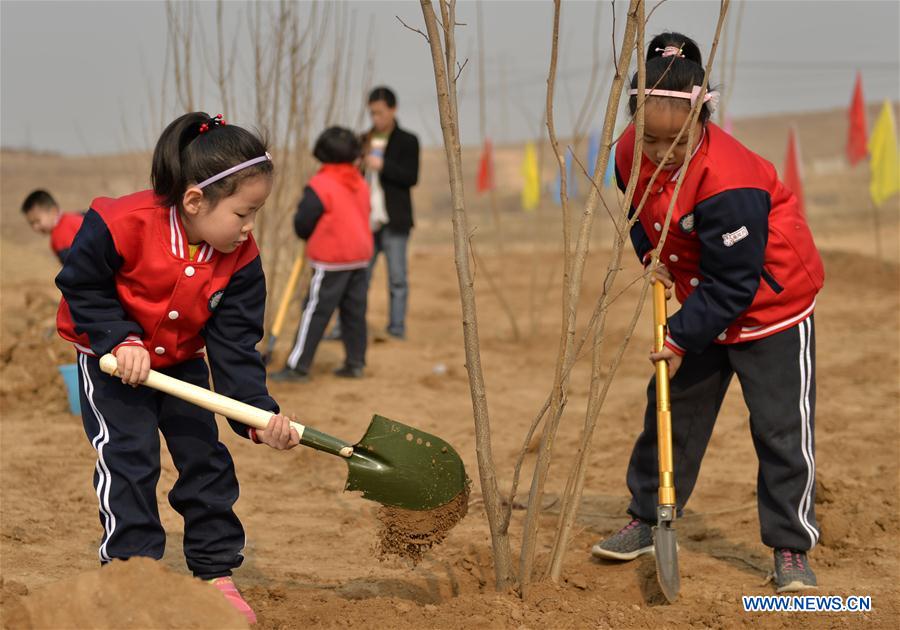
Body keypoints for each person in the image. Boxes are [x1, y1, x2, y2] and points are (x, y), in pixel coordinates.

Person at [590, 33, 825, 594]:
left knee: (779, 429)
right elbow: (636, 214)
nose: (659, 154)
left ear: (701, 119)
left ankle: (790, 548)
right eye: (649, 139)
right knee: (670, 413)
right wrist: (652, 257)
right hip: (703, 295)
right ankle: (648, 519)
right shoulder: (627, 152)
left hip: (770, 305)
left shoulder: (730, 179)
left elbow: (737, 283)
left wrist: (676, 338)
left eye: (675, 142)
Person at [55, 112, 300, 624]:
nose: (250, 227)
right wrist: (121, 339)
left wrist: (256, 415)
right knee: (130, 459)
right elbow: (82, 285)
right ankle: (131, 574)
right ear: (195, 201)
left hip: (182, 364)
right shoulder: (121, 222)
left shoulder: (241, 257)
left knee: (204, 460)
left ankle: (214, 571)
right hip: (110, 364)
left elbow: (235, 346)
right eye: (244, 212)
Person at [272, 127, 372, 382]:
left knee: (315, 311)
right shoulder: (360, 182)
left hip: (332, 259)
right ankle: (355, 362)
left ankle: (297, 366)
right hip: (360, 256)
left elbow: (303, 222)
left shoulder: (320, 184)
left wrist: (305, 232)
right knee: (354, 311)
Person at [360, 86, 419, 339]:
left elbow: (411, 177)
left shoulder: (408, 140)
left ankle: (396, 328)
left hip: (395, 221)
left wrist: (383, 166)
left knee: (397, 279)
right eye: (372, 113)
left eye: (380, 113)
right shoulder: (362, 140)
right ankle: (349, 328)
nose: (376, 118)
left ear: (393, 109)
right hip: (365, 222)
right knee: (358, 279)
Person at [21, 189, 84, 263]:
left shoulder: (58, 238)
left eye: (37, 221)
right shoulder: (76, 216)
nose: (35, 227)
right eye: (31, 223)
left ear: (53, 212)